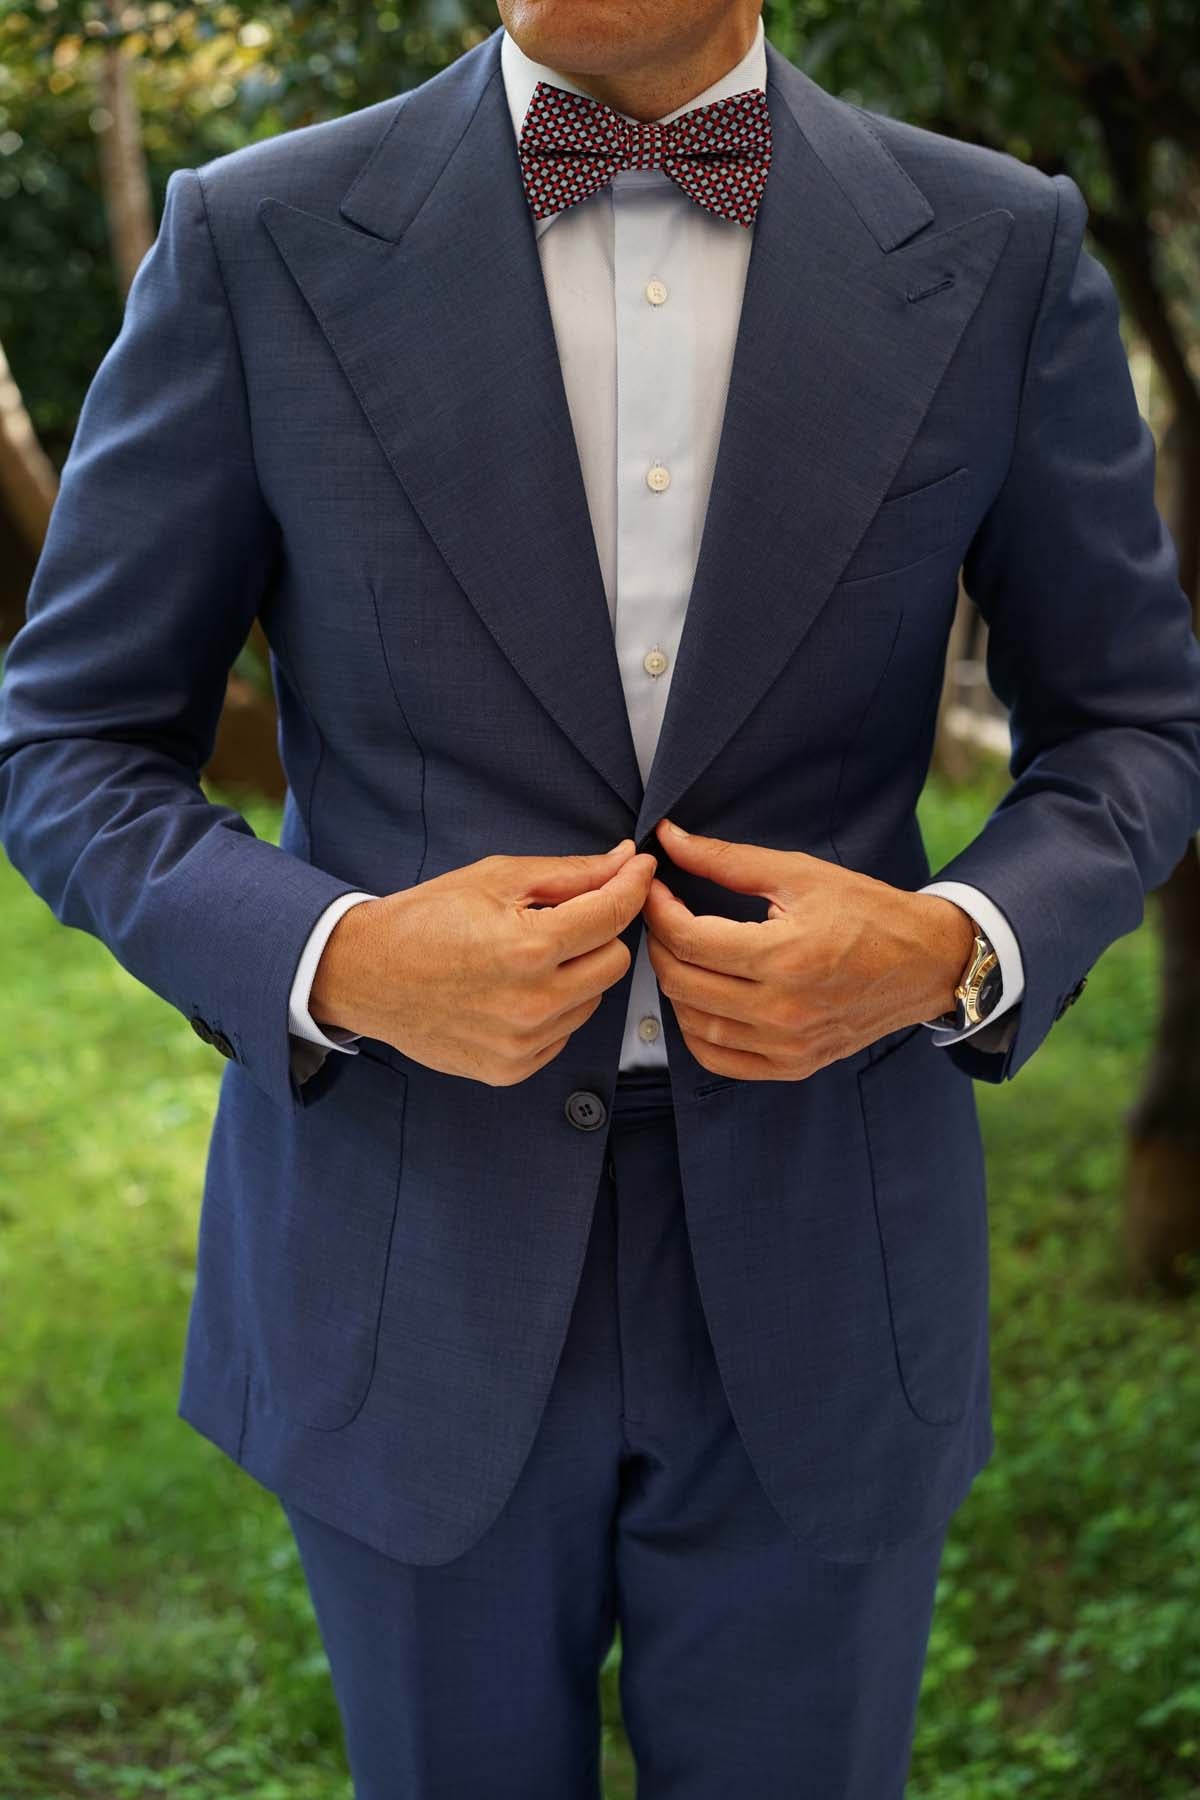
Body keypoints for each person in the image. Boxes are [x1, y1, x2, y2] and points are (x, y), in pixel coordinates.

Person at [2, 1, 1199, 1793]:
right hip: (409, 1262)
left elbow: (1133, 731)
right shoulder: (255, 233)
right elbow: (69, 740)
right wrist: (339, 960)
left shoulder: (999, 245)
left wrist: (956, 944)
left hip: (831, 1263)